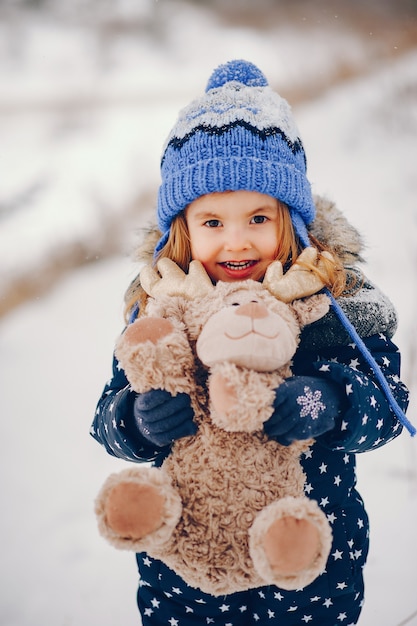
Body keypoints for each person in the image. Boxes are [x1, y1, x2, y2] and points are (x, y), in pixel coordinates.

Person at [91, 60, 413, 625]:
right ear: (181, 229)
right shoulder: (164, 309)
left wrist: (329, 401)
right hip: (185, 569)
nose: (236, 242)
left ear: (291, 219)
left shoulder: (332, 305)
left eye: (258, 217)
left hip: (308, 563)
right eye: (212, 222)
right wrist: (136, 421)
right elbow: (105, 421)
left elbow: (389, 405)